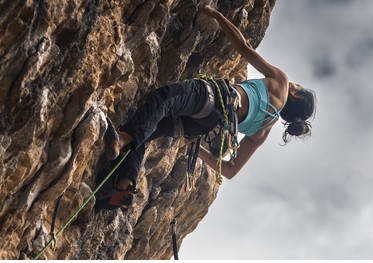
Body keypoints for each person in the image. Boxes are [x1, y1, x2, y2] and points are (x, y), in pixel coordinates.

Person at [95, 5, 316, 209]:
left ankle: (122, 139)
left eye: (298, 86)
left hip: (214, 97)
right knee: (146, 131)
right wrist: (196, 148)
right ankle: (124, 184)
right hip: (201, 126)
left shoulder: (281, 82)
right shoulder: (263, 131)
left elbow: (244, 47)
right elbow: (229, 171)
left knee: (162, 99)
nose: (294, 84)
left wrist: (217, 16)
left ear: (295, 94)